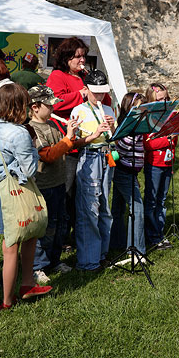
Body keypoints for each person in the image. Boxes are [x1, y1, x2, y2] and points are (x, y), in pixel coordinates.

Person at [0, 84, 52, 310]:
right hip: (14, 189)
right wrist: (31, 145)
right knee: (13, 244)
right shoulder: (19, 133)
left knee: (25, 234)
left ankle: (26, 285)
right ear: (19, 105)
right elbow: (29, 170)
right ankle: (8, 300)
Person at [46, 37, 111, 246]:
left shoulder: (86, 75)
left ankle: (79, 233)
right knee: (67, 192)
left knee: (84, 195)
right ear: (66, 58)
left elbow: (103, 99)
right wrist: (80, 94)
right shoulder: (57, 76)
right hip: (70, 143)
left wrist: (99, 91)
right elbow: (54, 103)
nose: (82, 60)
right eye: (78, 56)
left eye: (84, 55)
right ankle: (62, 237)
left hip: (92, 143)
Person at [28, 85, 79, 283]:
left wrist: (88, 136)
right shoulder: (32, 129)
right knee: (44, 227)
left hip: (58, 183)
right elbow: (48, 155)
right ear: (35, 107)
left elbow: (67, 145)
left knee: (60, 224)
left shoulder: (51, 125)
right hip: (44, 186)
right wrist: (68, 137)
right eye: (49, 105)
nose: (52, 109)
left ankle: (54, 260)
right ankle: (38, 266)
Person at [71, 69, 116, 271]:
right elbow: (75, 142)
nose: (99, 96)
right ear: (86, 90)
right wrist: (95, 133)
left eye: (102, 92)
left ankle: (101, 254)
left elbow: (114, 139)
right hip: (89, 157)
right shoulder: (79, 111)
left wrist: (113, 129)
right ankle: (88, 261)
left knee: (105, 208)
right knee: (89, 208)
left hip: (107, 157)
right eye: (95, 92)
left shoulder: (108, 108)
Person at [110, 92, 146, 257]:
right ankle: (136, 250)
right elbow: (122, 149)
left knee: (118, 208)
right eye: (138, 107)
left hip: (127, 170)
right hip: (124, 170)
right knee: (137, 209)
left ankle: (116, 242)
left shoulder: (134, 125)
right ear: (129, 108)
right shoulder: (132, 126)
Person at [143, 82, 177, 250]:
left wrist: (173, 135)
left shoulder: (169, 115)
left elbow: (174, 138)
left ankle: (159, 232)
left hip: (167, 162)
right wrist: (167, 139)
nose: (165, 102)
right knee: (152, 201)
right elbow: (147, 144)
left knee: (161, 200)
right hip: (154, 163)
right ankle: (151, 236)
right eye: (161, 99)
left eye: (167, 98)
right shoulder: (148, 118)